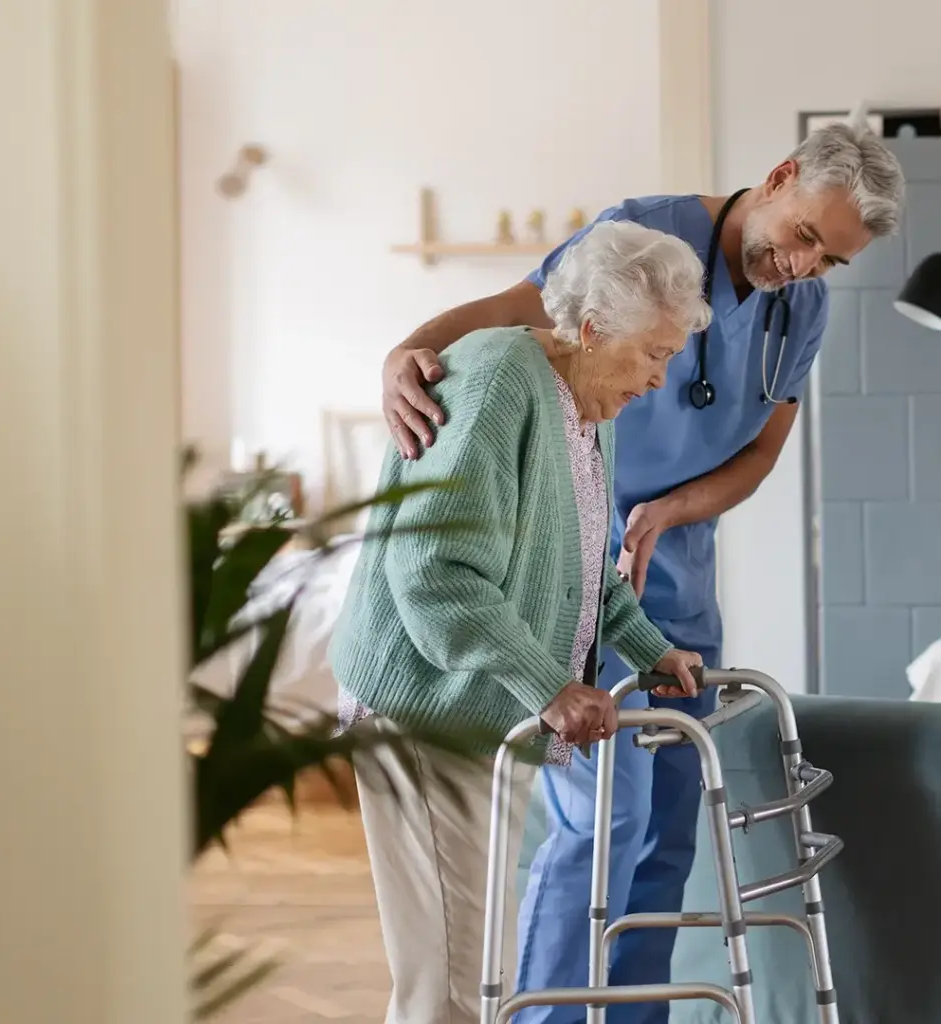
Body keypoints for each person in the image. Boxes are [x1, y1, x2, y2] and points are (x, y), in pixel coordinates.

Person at [380, 121, 905, 1024]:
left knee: (666, 823)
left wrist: (670, 513)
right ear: (779, 178)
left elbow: (760, 456)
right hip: (574, 552)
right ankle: (553, 1013)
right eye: (807, 235)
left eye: (832, 260)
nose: (806, 265)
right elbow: (511, 312)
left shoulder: (800, 311)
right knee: (601, 820)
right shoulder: (647, 236)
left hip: (672, 572)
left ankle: (632, 1017)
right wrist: (405, 349)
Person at [329, 220, 712, 1024]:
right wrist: (549, 683)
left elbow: (579, 571)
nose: (659, 379)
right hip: (423, 706)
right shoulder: (501, 378)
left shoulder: (587, 399)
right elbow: (433, 572)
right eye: (654, 353)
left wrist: (651, 650)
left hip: (477, 704)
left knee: (474, 961)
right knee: (453, 973)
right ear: (594, 327)